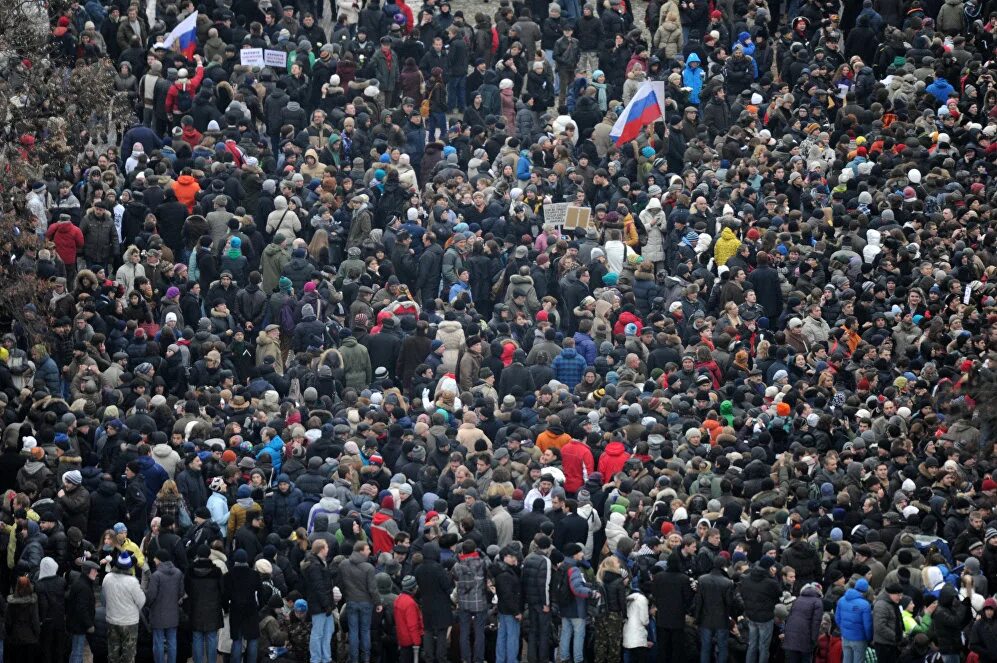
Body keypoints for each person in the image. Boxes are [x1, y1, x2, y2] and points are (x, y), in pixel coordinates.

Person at [103, 552, 146, 663]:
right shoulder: (132, 582)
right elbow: (142, 601)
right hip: (129, 622)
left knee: (112, 653)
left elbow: (104, 597)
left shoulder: (107, 578)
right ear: (130, 566)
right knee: (129, 655)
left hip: (111, 620)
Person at [394, 576, 423, 663]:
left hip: (402, 639)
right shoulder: (410, 603)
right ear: (412, 588)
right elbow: (412, 625)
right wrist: (417, 642)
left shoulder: (398, 599)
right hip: (411, 642)